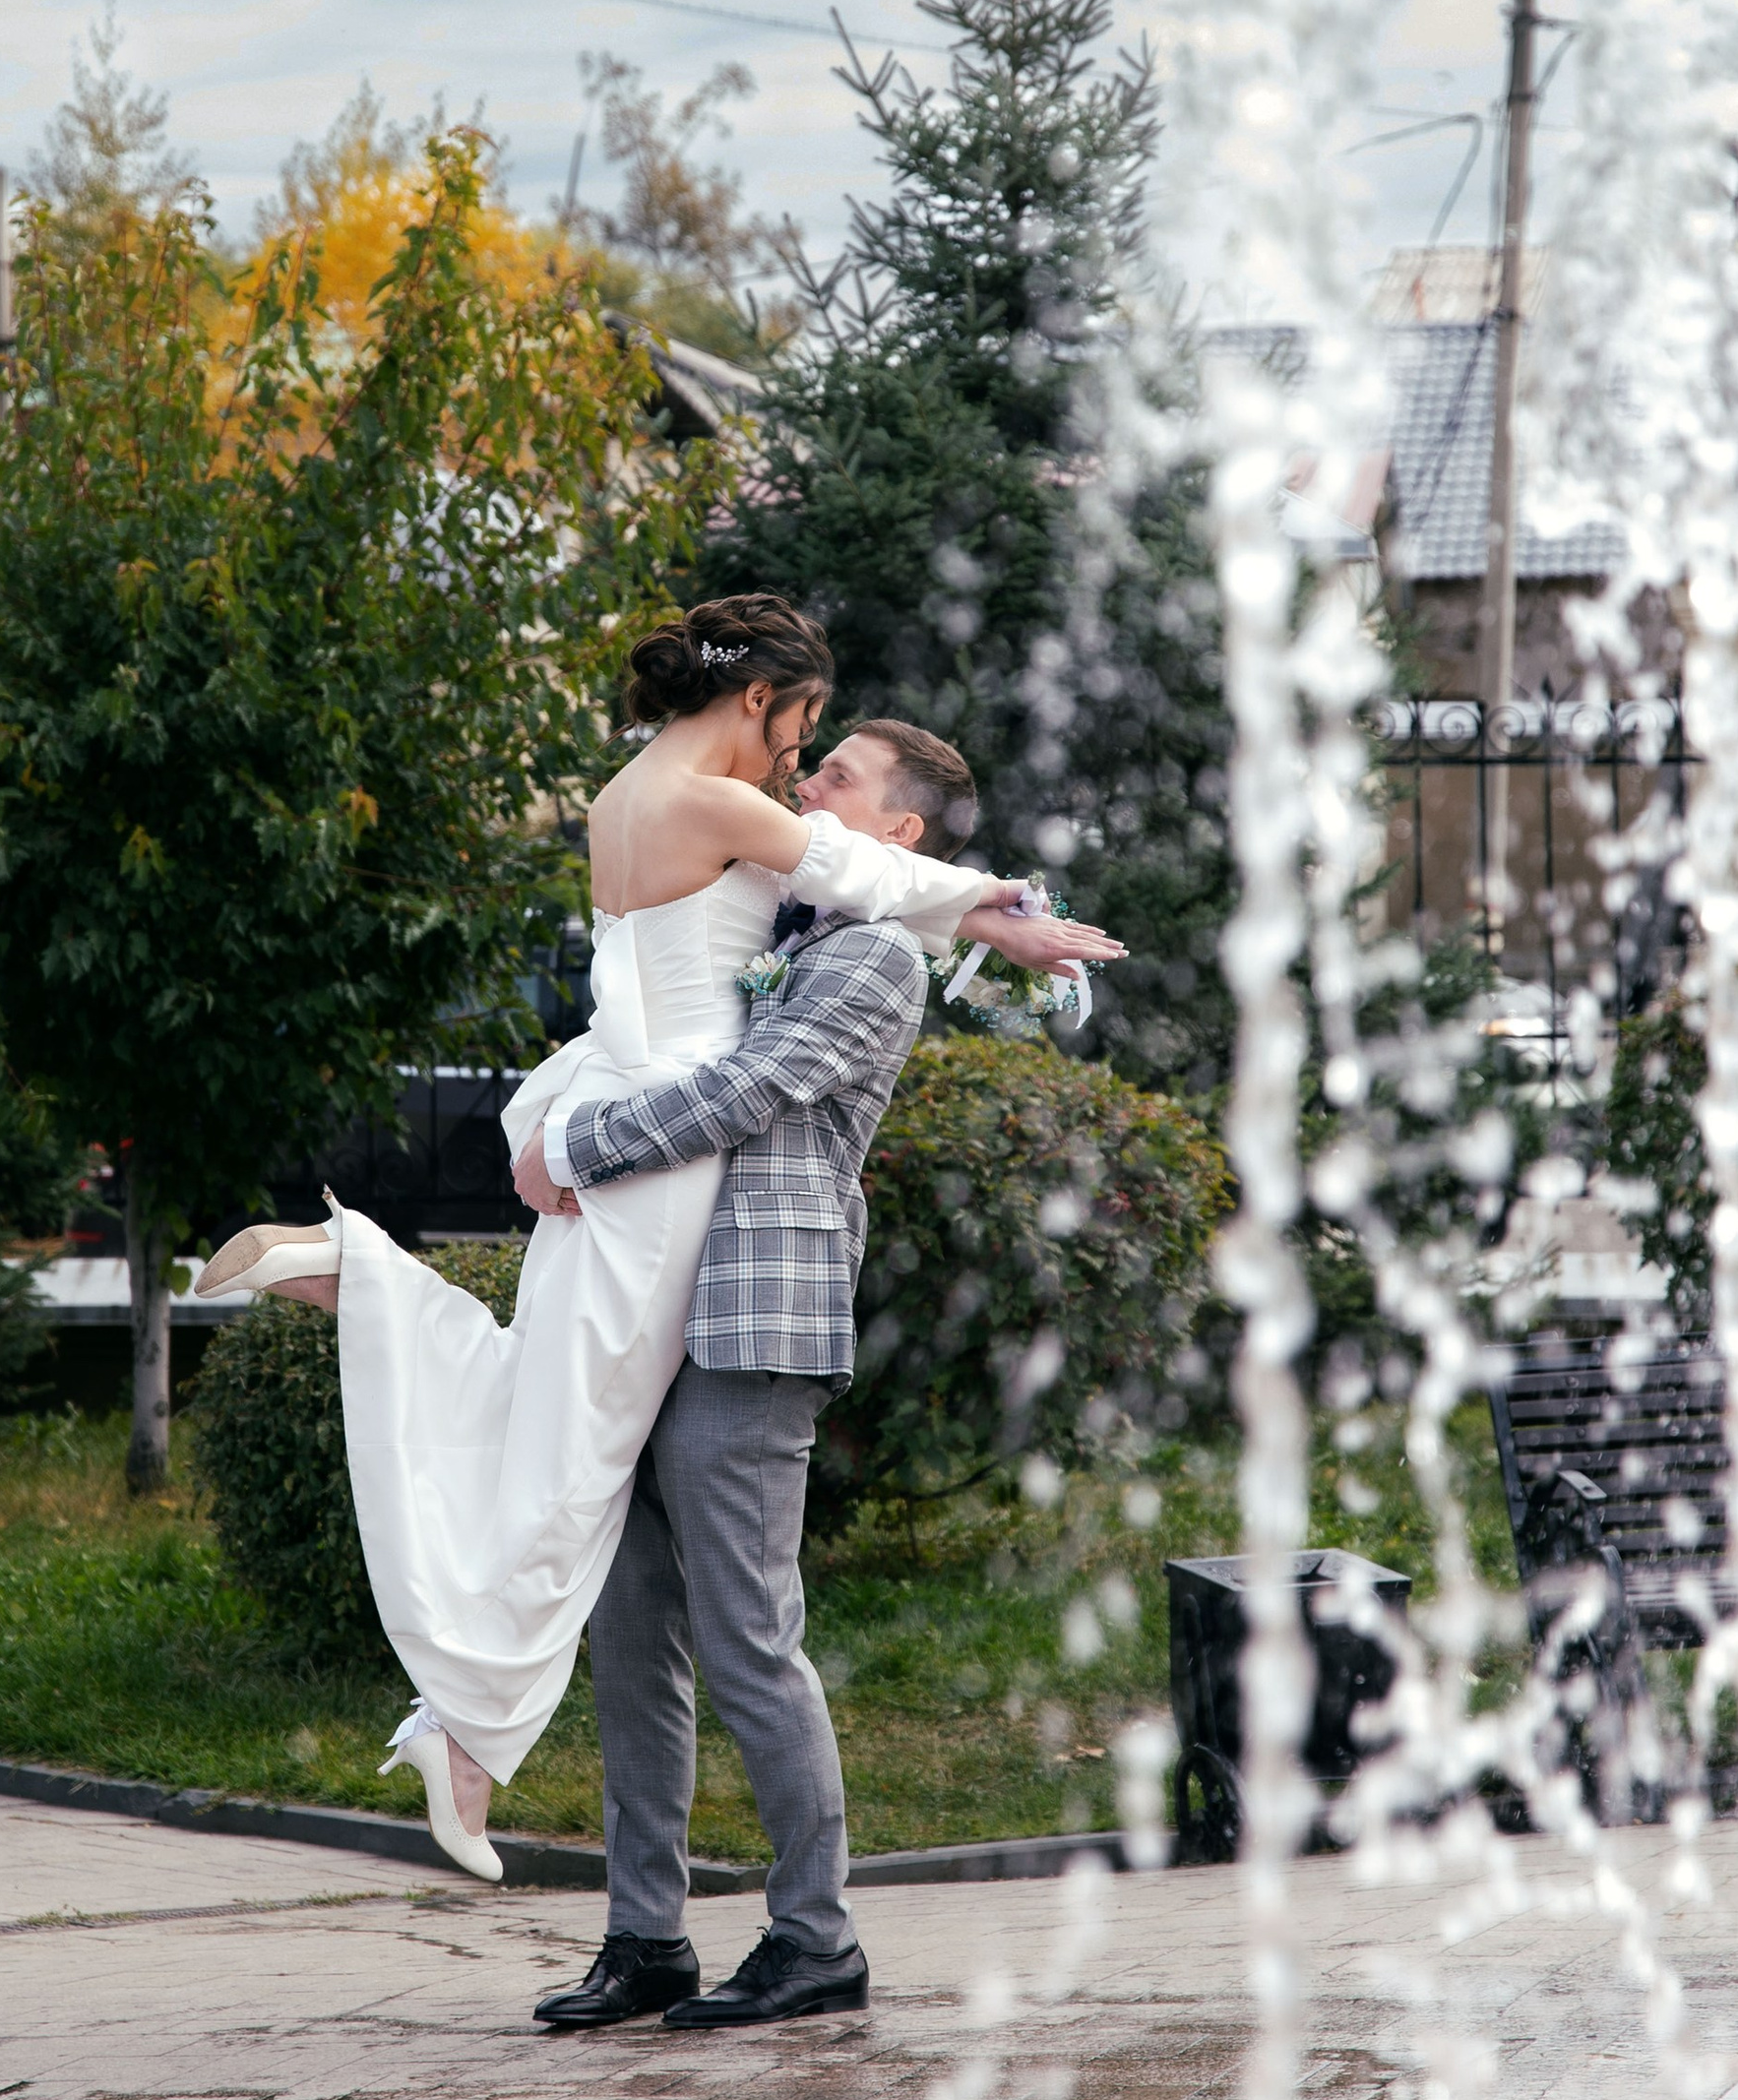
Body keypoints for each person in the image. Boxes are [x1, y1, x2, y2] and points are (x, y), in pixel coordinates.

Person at [193, 594, 1115, 1885]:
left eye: (828, 763)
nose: (801, 763)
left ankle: (369, 1295)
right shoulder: (741, 819)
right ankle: (474, 1732)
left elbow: (718, 962)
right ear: (756, 699)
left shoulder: (628, 800)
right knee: (567, 1451)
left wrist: (562, 1120)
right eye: (803, 732)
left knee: (545, 1399)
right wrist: (996, 909)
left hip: (621, 1120)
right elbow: (861, 876)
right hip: (657, 1164)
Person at [517, 715, 992, 2032]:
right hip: (651, 1315)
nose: (802, 780)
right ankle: (644, 1937)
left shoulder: (876, 958)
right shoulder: (778, 929)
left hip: (750, 1326)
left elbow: (745, 1088)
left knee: (746, 1641)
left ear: (894, 834)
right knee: (633, 1644)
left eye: (836, 775)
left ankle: (815, 1938)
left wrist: (579, 1144)